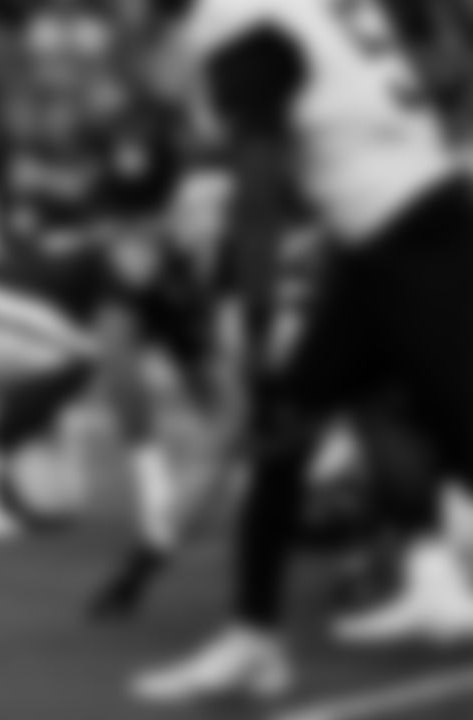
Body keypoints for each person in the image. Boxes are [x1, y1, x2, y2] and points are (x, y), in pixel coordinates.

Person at [132, 0, 473, 704]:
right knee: (281, 432)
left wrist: (255, 323)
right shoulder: (286, 11)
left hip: (415, 245)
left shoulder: (236, 28)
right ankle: (253, 639)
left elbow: (259, 190)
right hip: (387, 239)